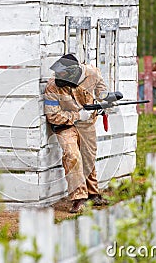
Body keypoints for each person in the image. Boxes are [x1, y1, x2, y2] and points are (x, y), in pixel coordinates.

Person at [44, 54, 110, 213]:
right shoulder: (52, 87)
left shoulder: (92, 73)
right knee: (72, 155)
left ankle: (93, 194)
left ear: (73, 73)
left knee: (88, 156)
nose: (58, 76)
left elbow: (102, 91)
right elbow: (53, 116)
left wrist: (103, 103)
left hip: (87, 124)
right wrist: (78, 116)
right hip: (64, 125)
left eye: (62, 74)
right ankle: (79, 198)